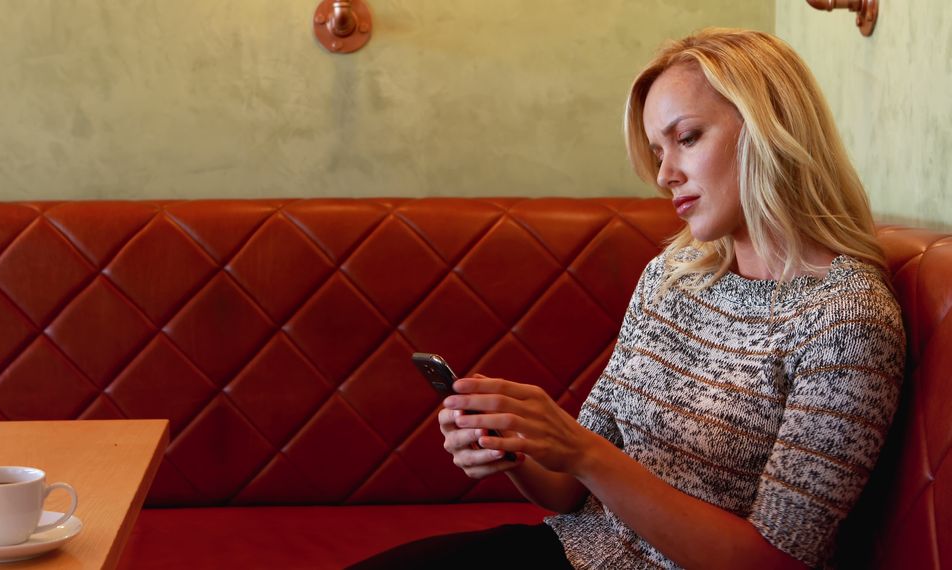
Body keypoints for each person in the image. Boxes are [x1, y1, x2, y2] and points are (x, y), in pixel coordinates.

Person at [350, 28, 905, 569]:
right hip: (570, 550)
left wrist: (586, 452)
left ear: (770, 128)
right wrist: (514, 448)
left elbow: (775, 559)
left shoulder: (848, 317)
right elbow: (570, 490)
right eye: (658, 150)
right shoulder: (672, 277)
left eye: (686, 138)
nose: (665, 173)